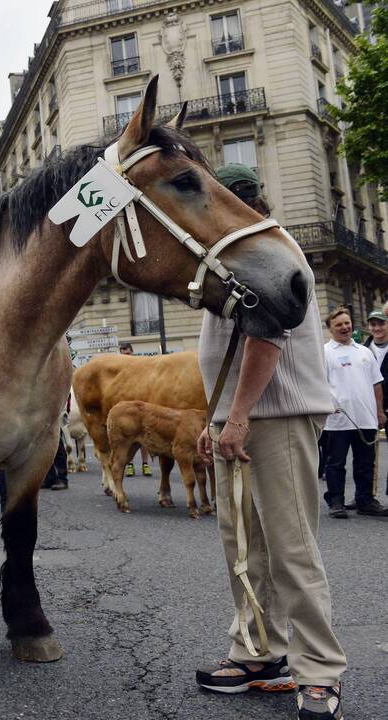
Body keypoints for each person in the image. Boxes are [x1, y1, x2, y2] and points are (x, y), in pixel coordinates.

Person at [195, 163, 346, 720]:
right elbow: (226, 349)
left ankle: (320, 669)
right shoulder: (231, 254)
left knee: (291, 547)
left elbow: (267, 339)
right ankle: (258, 652)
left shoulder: (270, 250)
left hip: (275, 416)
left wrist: (234, 418)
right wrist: (213, 419)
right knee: (245, 548)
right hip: (240, 417)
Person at [322, 306, 388, 518]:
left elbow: (376, 384)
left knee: (365, 462)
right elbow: (319, 384)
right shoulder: (324, 352)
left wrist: (379, 412)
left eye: (347, 323)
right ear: (330, 329)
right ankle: (336, 501)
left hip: (365, 418)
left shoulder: (364, 351)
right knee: (336, 463)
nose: (345, 327)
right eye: (339, 324)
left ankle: (365, 500)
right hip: (338, 420)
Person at [363, 307, 388, 506]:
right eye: (373, 324)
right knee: (366, 454)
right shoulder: (363, 350)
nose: (377, 327)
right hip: (371, 407)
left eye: (381, 323)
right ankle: (365, 497)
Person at [118, 342, 152, 477]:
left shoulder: (140, 365)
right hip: (126, 406)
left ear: (132, 352)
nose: (126, 356)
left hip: (141, 405)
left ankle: (145, 464)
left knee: (144, 437)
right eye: (123, 354)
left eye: (128, 353)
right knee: (128, 438)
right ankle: (130, 465)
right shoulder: (120, 369)